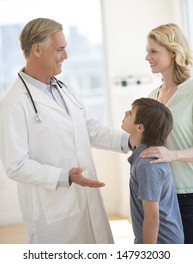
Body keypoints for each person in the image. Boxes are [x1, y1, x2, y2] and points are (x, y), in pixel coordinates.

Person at [0, 18, 130, 244]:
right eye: (60, 49)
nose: (66, 56)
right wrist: (64, 176)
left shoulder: (65, 88)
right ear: (37, 50)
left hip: (87, 199)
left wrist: (131, 141)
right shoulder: (13, 103)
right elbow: (16, 165)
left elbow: (91, 129)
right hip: (53, 210)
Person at [140, 23, 193, 243]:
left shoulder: (191, 91)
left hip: (188, 194)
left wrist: (172, 155)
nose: (147, 57)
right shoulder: (153, 96)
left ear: (173, 52)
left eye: (153, 51)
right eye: (147, 51)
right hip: (161, 194)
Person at [121, 97, 184, 244]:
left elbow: (152, 218)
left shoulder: (147, 164)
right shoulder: (141, 157)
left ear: (140, 127)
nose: (125, 113)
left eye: (130, 113)